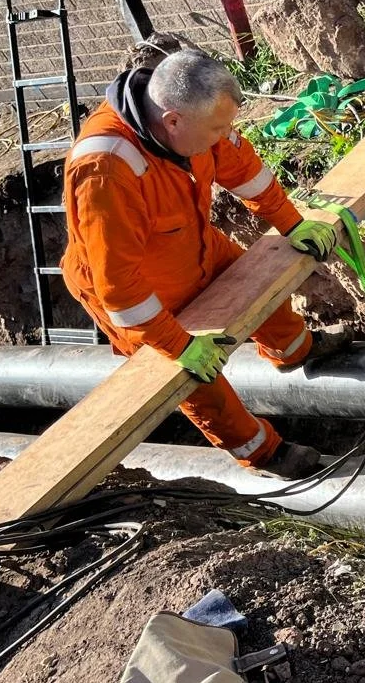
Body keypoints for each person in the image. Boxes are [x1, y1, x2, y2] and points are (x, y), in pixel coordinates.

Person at [61, 48, 350, 478]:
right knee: (198, 380)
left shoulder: (193, 124)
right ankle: (262, 453)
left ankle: (294, 352)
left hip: (191, 243)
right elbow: (119, 288)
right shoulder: (106, 170)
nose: (224, 135)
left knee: (260, 289)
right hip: (138, 288)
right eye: (217, 129)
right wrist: (179, 346)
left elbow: (244, 169)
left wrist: (291, 223)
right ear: (173, 120)